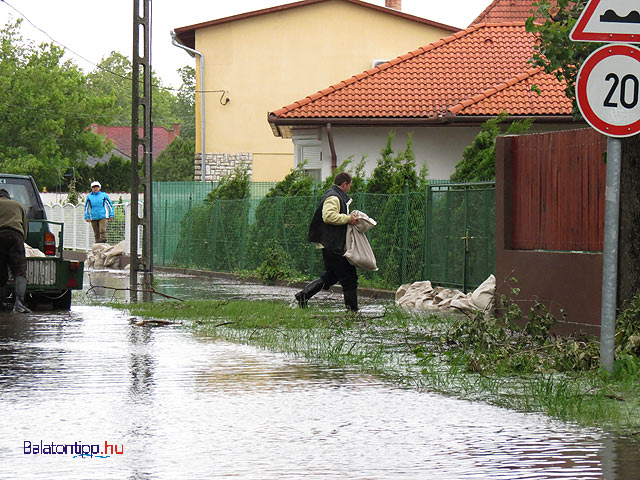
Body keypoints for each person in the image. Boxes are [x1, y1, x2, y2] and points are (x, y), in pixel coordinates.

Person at [295, 172, 359, 311]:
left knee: (332, 275)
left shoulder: (334, 195)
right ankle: (352, 311)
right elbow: (328, 216)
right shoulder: (334, 197)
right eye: (349, 186)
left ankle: (304, 295)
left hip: (331, 244)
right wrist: (348, 219)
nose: (349, 188)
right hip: (332, 245)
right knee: (349, 278)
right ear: (344, 184)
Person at [0, 188, 32, 313]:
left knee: (0, 271)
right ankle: (19, 303)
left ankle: (1, 303)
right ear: (8, 197)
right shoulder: (18, 205)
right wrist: (21, 240)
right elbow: (24, 226)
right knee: (19, 271)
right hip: (15, 236)